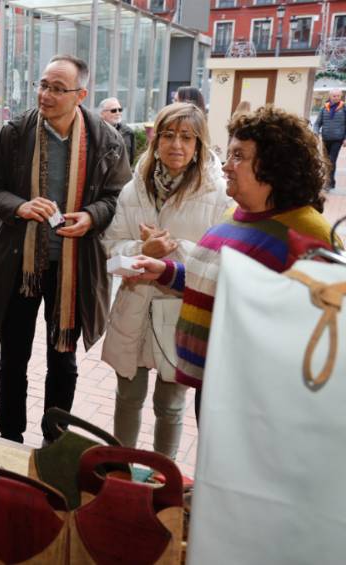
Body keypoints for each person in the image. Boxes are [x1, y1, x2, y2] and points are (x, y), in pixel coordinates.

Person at [128, 105, 335, 419]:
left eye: (238, 156)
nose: (225, 166)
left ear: (274, 164)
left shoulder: (308, 234)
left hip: (258, 399)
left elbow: (323, 334)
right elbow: (217, 280)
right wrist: (167, 272)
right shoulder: (234, 214)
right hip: (216, 381)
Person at [0, 54, 131, 444]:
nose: (45, 95)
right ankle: (9, 438)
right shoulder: (15, 133)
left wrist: (92, 216)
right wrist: (19, 207)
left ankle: (54, 441)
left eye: (58, 89)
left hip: (74, 268)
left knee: (63, 362)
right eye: (43, 85)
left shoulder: (106, 140)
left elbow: (119, 198)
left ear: (80, 95)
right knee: (13, 359)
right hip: (19, 266)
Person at [101, 102, 230, 460]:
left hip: (182, 312)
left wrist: (171, 251)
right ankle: (121, 468)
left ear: (199, 144)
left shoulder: (218, 193)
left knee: (170, 404)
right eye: (169, 135)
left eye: (187, 137)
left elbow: (220, 261)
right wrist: (142, 249)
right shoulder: (134, 188)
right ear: (156, 140)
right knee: (127, 397)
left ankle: (164, 474)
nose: (176, 145)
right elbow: (111, 247)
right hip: (135, 305)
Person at [314, 88, 346, 190]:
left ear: (341, 96)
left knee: (331, 160)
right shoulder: (324, 108)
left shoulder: (345, 108)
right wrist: (315, 132)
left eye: (338, 96)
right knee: (326, 161)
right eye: (334, 96)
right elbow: (317, 123)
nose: (336, 98)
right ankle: (330, 181)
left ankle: (328, 183)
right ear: (330, 96)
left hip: (337, 139)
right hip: (325, 139)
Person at [99, 97, 135, 164]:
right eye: (113, 110)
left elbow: (131, 158)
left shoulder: (128, 132)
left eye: (120, 110)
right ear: (102, 113)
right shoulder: (96, 132)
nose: (118, 113)